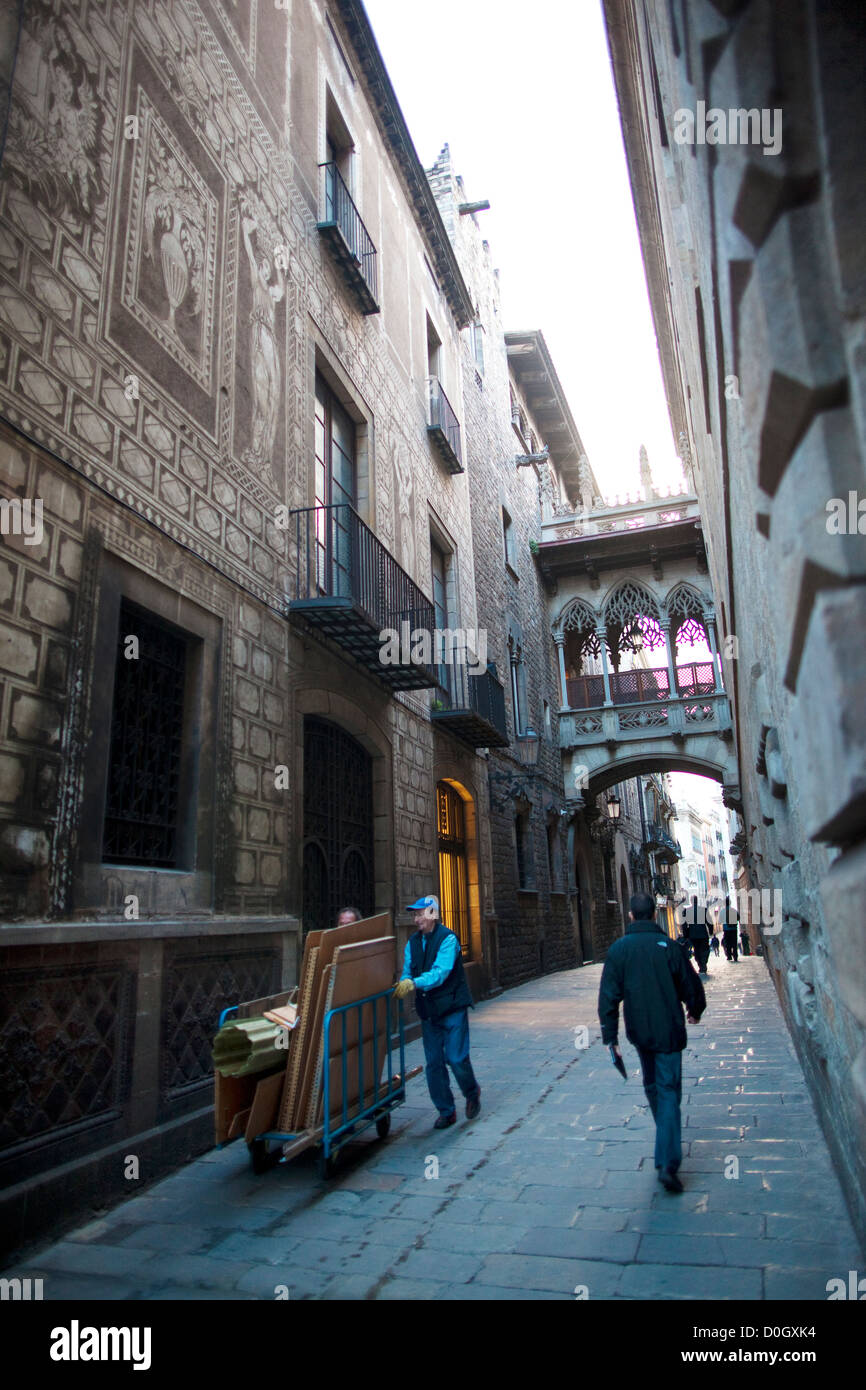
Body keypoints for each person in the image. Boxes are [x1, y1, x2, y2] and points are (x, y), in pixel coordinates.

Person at [598, 892, 706, 1193]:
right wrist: (694, 1009)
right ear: (653, 915)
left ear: (631, 915)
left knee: (653, 1087)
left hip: (640, 1033)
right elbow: (690, 983)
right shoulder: (669, 947)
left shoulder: (619, 950)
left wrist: (611, 1037)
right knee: (668, 1090)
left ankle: (666, 1147)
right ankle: (668, 1162)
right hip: (669, 1031)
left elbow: (608, 996)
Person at [393, 895, 481, 1129]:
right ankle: (446, 1110)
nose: (416, 918)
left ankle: (472, 1092)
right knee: (433, 1063)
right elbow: (407, 970)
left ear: (433, 915)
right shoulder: (412, 943)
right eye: (415, 914)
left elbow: (441, 972)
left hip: (452, 1007)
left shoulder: (448, 939)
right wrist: (404, 981)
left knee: (456, 1058)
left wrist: (414, 983)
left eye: (421, 913)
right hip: (429, 1012)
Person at [683, 894, 711, 975]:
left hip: (693, 934)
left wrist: (685, 934)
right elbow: (709, 922)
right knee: (704, 949)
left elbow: (684, 924)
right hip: (703, 933)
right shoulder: (704, 910)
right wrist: (711, 930)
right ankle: (703, 963)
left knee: (697, 950)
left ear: (691, 901)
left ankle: (700, 965)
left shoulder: (686, 911)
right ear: (697, 901)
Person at [720, 896, 740, 962]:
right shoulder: (734, 910)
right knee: (734, 943)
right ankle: (735, 956)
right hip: (733, 929)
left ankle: (729, 956)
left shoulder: (722, 911)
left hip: (726, 929)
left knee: (728, 943)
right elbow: (738, 918)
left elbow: (720, 920)